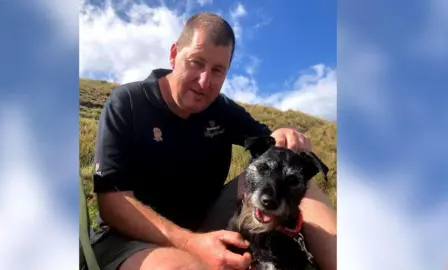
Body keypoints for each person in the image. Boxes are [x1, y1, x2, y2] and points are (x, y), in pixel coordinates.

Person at [90, 12, 336, 270]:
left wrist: (284, 132)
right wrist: (190, 243)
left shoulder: (222, 109)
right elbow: (113, 205)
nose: (204, 81)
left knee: (295, 179)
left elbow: (270, 143)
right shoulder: (127, 102)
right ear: (174, 54)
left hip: (206, 225)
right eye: (196, 62)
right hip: (129, 237)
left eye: (218, 70)